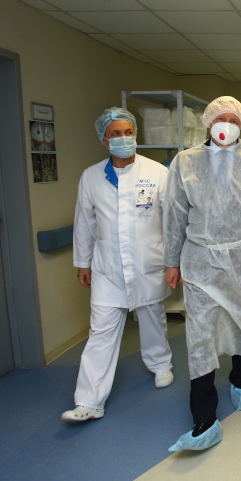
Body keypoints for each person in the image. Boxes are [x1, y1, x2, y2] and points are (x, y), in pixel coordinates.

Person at [164, 96, 241, 453]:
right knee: (199, 336)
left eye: (233, 119)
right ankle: (205, 418)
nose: (226, 125)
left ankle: (240, 377)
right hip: (199, 260)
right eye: (220, 118)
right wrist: (172, 261)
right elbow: (174, 214)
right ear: (208, 122)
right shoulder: (185, 161)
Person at [62, 107, 174, 423]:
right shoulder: (91, 176)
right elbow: (84, 222)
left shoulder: (157, 173)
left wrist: (173, 261)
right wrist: (82, 262)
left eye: (128, 132)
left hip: (147, 261)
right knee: (100, 331)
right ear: (104, 140)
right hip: (107, 268)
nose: (123, 138)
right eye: (115, 134)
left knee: (152, 317)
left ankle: (160, 364)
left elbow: (171, 221)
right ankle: (89, 401)